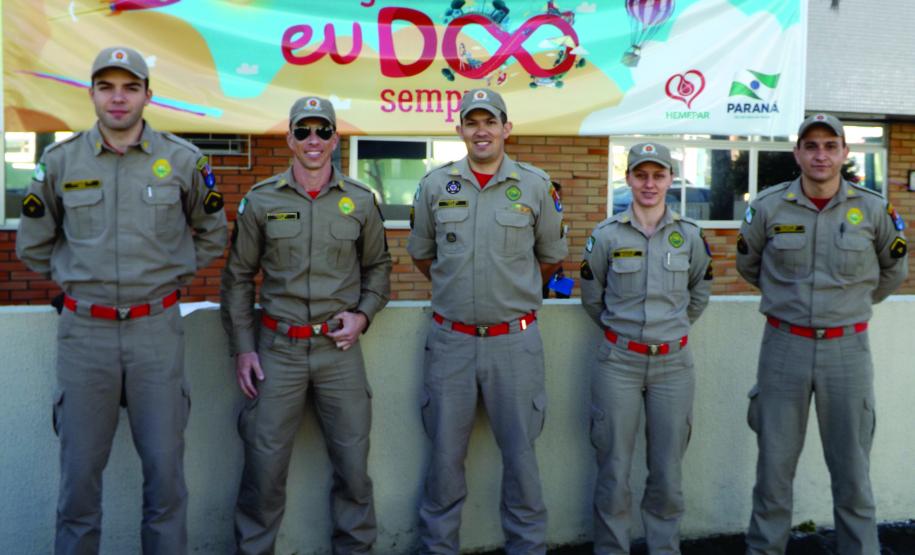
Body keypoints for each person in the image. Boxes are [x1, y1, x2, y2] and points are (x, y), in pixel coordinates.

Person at [15, 46, 227, 554]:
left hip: (156, 332)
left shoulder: (183, 160)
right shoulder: (60, 161)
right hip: (85, 335)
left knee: (166, 477)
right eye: (106, 87)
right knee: (79, 480)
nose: (118, 98)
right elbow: (33, 244)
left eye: (130, 87)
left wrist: (170, 276)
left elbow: (212, 232)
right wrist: (79, 282)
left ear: (148, 95)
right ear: (91, 94)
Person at [221, 96, 392, 555]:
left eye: (322, 131)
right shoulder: (261, 200)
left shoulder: (360, 200)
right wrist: (243, 347)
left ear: (335, 139)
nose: (313, 139)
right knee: (263, 470)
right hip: (277, 351)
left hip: (339, 353)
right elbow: (237, 277)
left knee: (353, 469)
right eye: (303, 131)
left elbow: (379, 268)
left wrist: (362, 315)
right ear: (290, 139)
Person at [737, 113, 908, 555]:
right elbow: (749, 265)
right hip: (784, 348)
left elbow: (893, 270)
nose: (821, 155)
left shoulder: (873, 209)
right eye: (811, 146)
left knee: (852, 472)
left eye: (831, 146)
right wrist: (789, 302)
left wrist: (849, 306)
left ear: (845, 153)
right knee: (773, 471)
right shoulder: (769, 207)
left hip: (847, 350)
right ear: (797, 153)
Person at [408, 88, 568, 554]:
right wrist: (461, 292)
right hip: (451, 343)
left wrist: (509, 295)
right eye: (472, 122)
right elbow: (424, 256)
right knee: (444, 462)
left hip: (513, 344)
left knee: (521, 463)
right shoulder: (435, 186)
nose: (481, 131)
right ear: (459, 129)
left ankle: (527, 547)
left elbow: (550, 258)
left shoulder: (536, 186)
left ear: (506, 128)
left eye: (490, 121)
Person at [580, 142, 712, 554]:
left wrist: (668, 330)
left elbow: (699, 293)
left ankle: (664, 548)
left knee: (667, 472)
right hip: (618, 363)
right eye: (641, 175)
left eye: (658, 175)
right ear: (628, 179)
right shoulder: (606, 235)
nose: (649, 184)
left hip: (673, 365)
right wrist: (626, 334)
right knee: (613, 468)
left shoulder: (689, 236)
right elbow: (592, 297)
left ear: (671, 179)